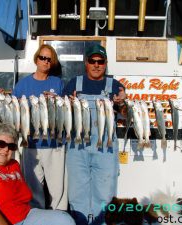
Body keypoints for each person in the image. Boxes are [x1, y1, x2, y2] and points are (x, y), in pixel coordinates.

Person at [0, 122, 75, 225]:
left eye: (11, 146)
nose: (5, 149)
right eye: (0, 143)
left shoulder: (13, 165)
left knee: (65, 220)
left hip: (24, 216)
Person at [63, 44, 126, 225]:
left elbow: (125, 115)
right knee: (76, 193)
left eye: (100, 61)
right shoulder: (74, 84)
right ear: (86, 63)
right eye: (92, 61)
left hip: (105, 147)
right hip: (77, 146)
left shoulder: (114, 85)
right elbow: (62, 115)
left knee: (105, 193)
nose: (96, 65)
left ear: (105, 63)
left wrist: (122, 104)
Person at [12, 44, 68, 210]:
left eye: (49, 59)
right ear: (36, 59)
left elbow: (67, 112)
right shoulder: (22, 85)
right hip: (31, 145)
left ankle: (60, 218)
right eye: (43, 58)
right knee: (33, 191)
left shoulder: (58, 83)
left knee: (58, 191)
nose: (46, 62)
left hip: (55, 144)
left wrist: (58, 100)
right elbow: (13, 110)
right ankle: (37, 218)